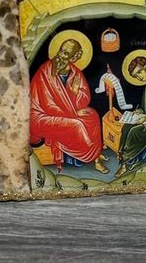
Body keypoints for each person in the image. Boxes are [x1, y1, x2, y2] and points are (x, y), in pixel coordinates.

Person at [30, 39, 109, 173]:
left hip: (66, 112)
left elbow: (85, 99)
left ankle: (95, 153)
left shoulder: (75, 73)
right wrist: (73, 113)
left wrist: (75, 92)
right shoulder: (45, 71)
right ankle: (93, 157)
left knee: (93, 115)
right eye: (61, 50)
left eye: (66, 53)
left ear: (73, 57)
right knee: (77, 124)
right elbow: (49, 106)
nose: (60, 55)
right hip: (41, 117)